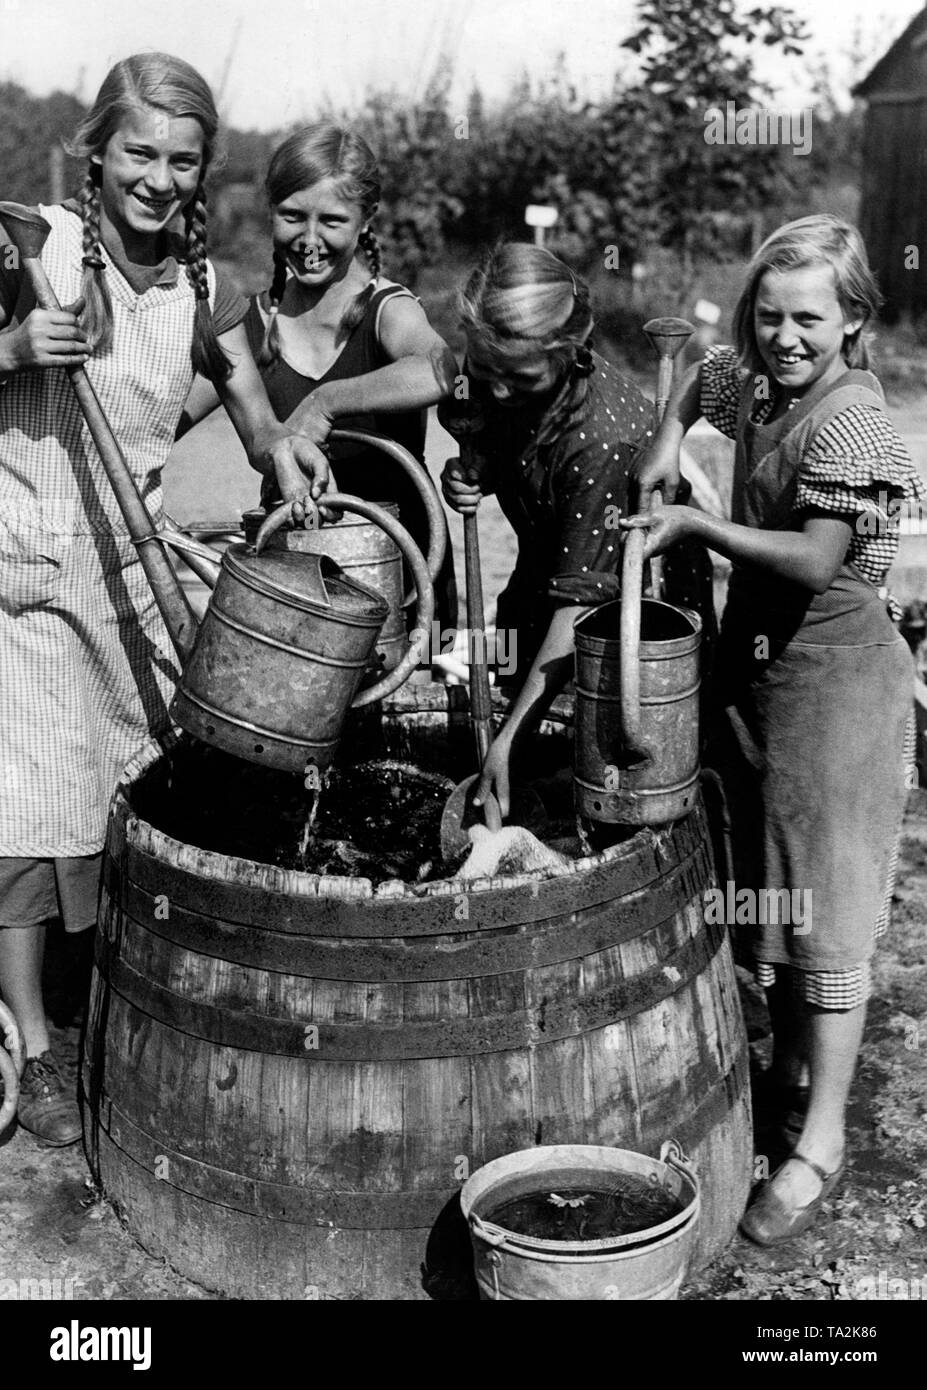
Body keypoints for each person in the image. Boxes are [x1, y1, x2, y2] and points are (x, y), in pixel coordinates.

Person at [0, 53, 328, 1146]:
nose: (158, 176)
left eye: (181, 160)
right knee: (36, 808)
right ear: (96, 148)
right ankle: (39, 1046)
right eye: (138, 151)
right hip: (34, 563)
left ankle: (113, 999)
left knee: (125, 795)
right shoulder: (31, 248)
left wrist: (283, 453)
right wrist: (10, 347)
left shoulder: (200, 287)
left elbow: (251, 410)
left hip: (131, 569)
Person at [629, 214, 924, 1244]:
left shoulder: (853, 424)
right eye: (769, 315)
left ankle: (821, 1143)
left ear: (852, 321)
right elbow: (702, 380)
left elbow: (811, 558)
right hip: (763, 681)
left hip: (839, 687)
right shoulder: (751, 379)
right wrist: (668, 443)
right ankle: (786, 1075)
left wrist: (698, 522)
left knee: (829, 917)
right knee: (772, 891)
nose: (784, 337)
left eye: (809, 318)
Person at [179, 122, 458, 628]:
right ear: (271, 213)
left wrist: (326, 401)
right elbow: (166, 417)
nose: (309, 240)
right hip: (295, 578)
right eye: (292, 217)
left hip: (399, 573)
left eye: (332, 220)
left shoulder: (387, 310)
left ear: (366, 219)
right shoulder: (252, 322)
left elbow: (439, 370)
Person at [440, 242, 662, 814]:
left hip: (615, 644)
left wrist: (511, 740)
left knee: (589, 797)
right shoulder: (501, 369)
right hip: (533, 601)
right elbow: (494, 428)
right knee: (510, 788)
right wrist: (476, 470)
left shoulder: (603, 442)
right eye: (485, 371)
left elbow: (581, 608)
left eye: (517, 377)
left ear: (571, 351)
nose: (498, 391)